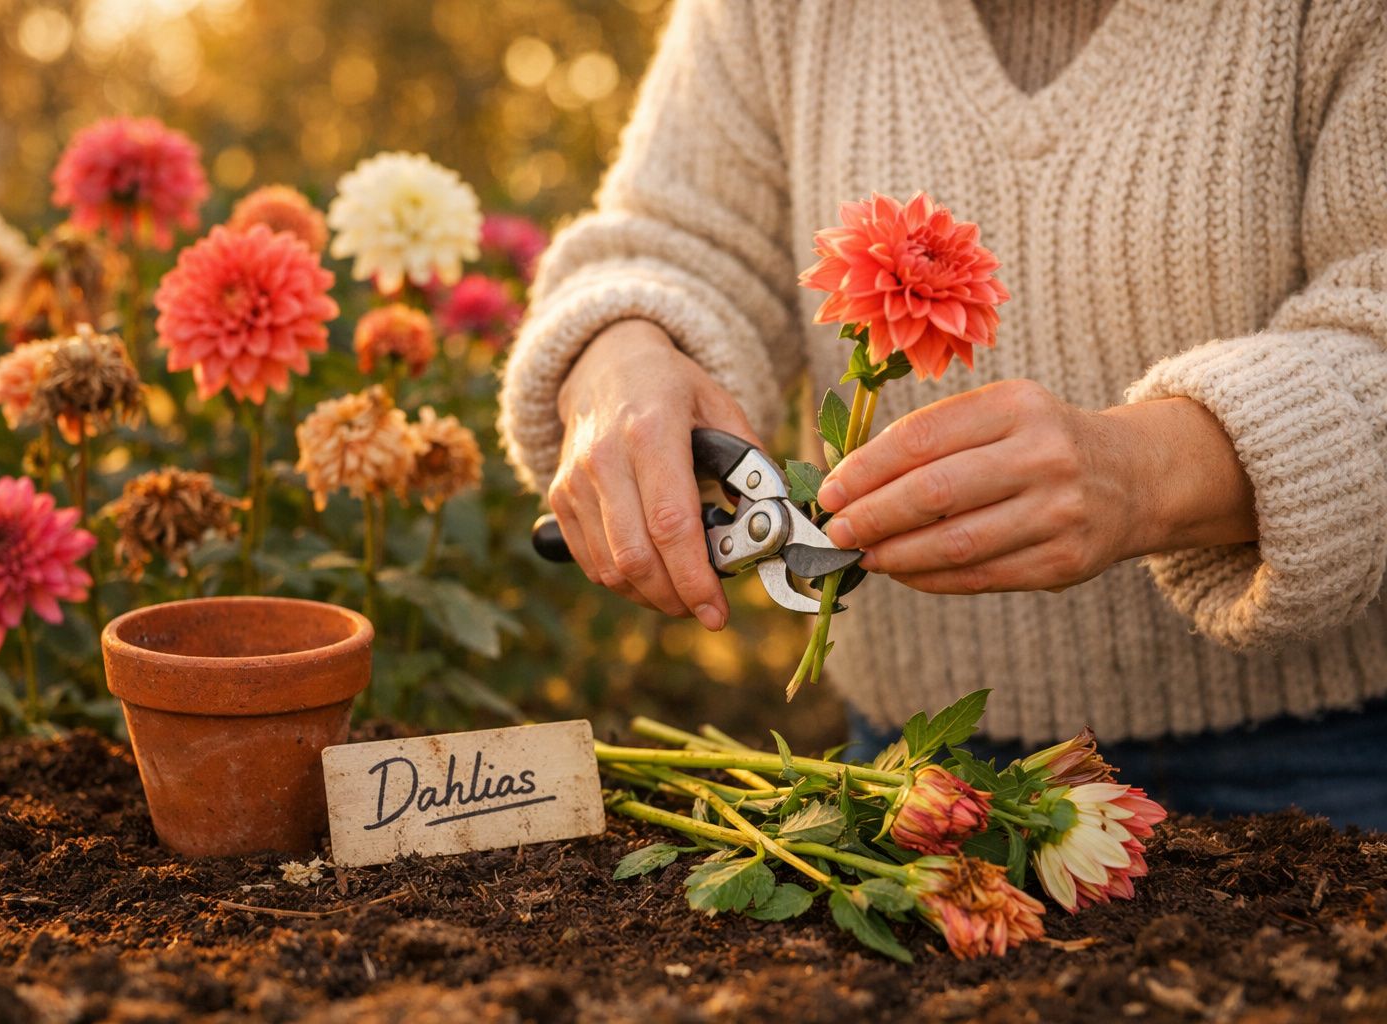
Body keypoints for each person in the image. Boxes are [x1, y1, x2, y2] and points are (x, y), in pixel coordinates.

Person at [497, 0, 1387, 829]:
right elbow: (677, 241)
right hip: (913, 773)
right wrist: (622, 351)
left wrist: (1150, 471)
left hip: (1322, 769)